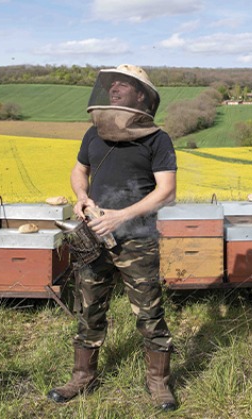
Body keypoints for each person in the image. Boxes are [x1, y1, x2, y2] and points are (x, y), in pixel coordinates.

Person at [47, 64, 178, 411]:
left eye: (125, 84)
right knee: (88, 308)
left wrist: (121, 216)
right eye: (112, 83)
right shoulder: (93, 134)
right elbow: (80, 171)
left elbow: (166, 191)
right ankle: (82, 376)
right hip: (93, 238)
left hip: (137, 239)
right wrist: (81, 196)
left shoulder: (157, 138)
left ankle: (159, 382)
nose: (116, 88)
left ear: (142, 96)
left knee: (149, 312)